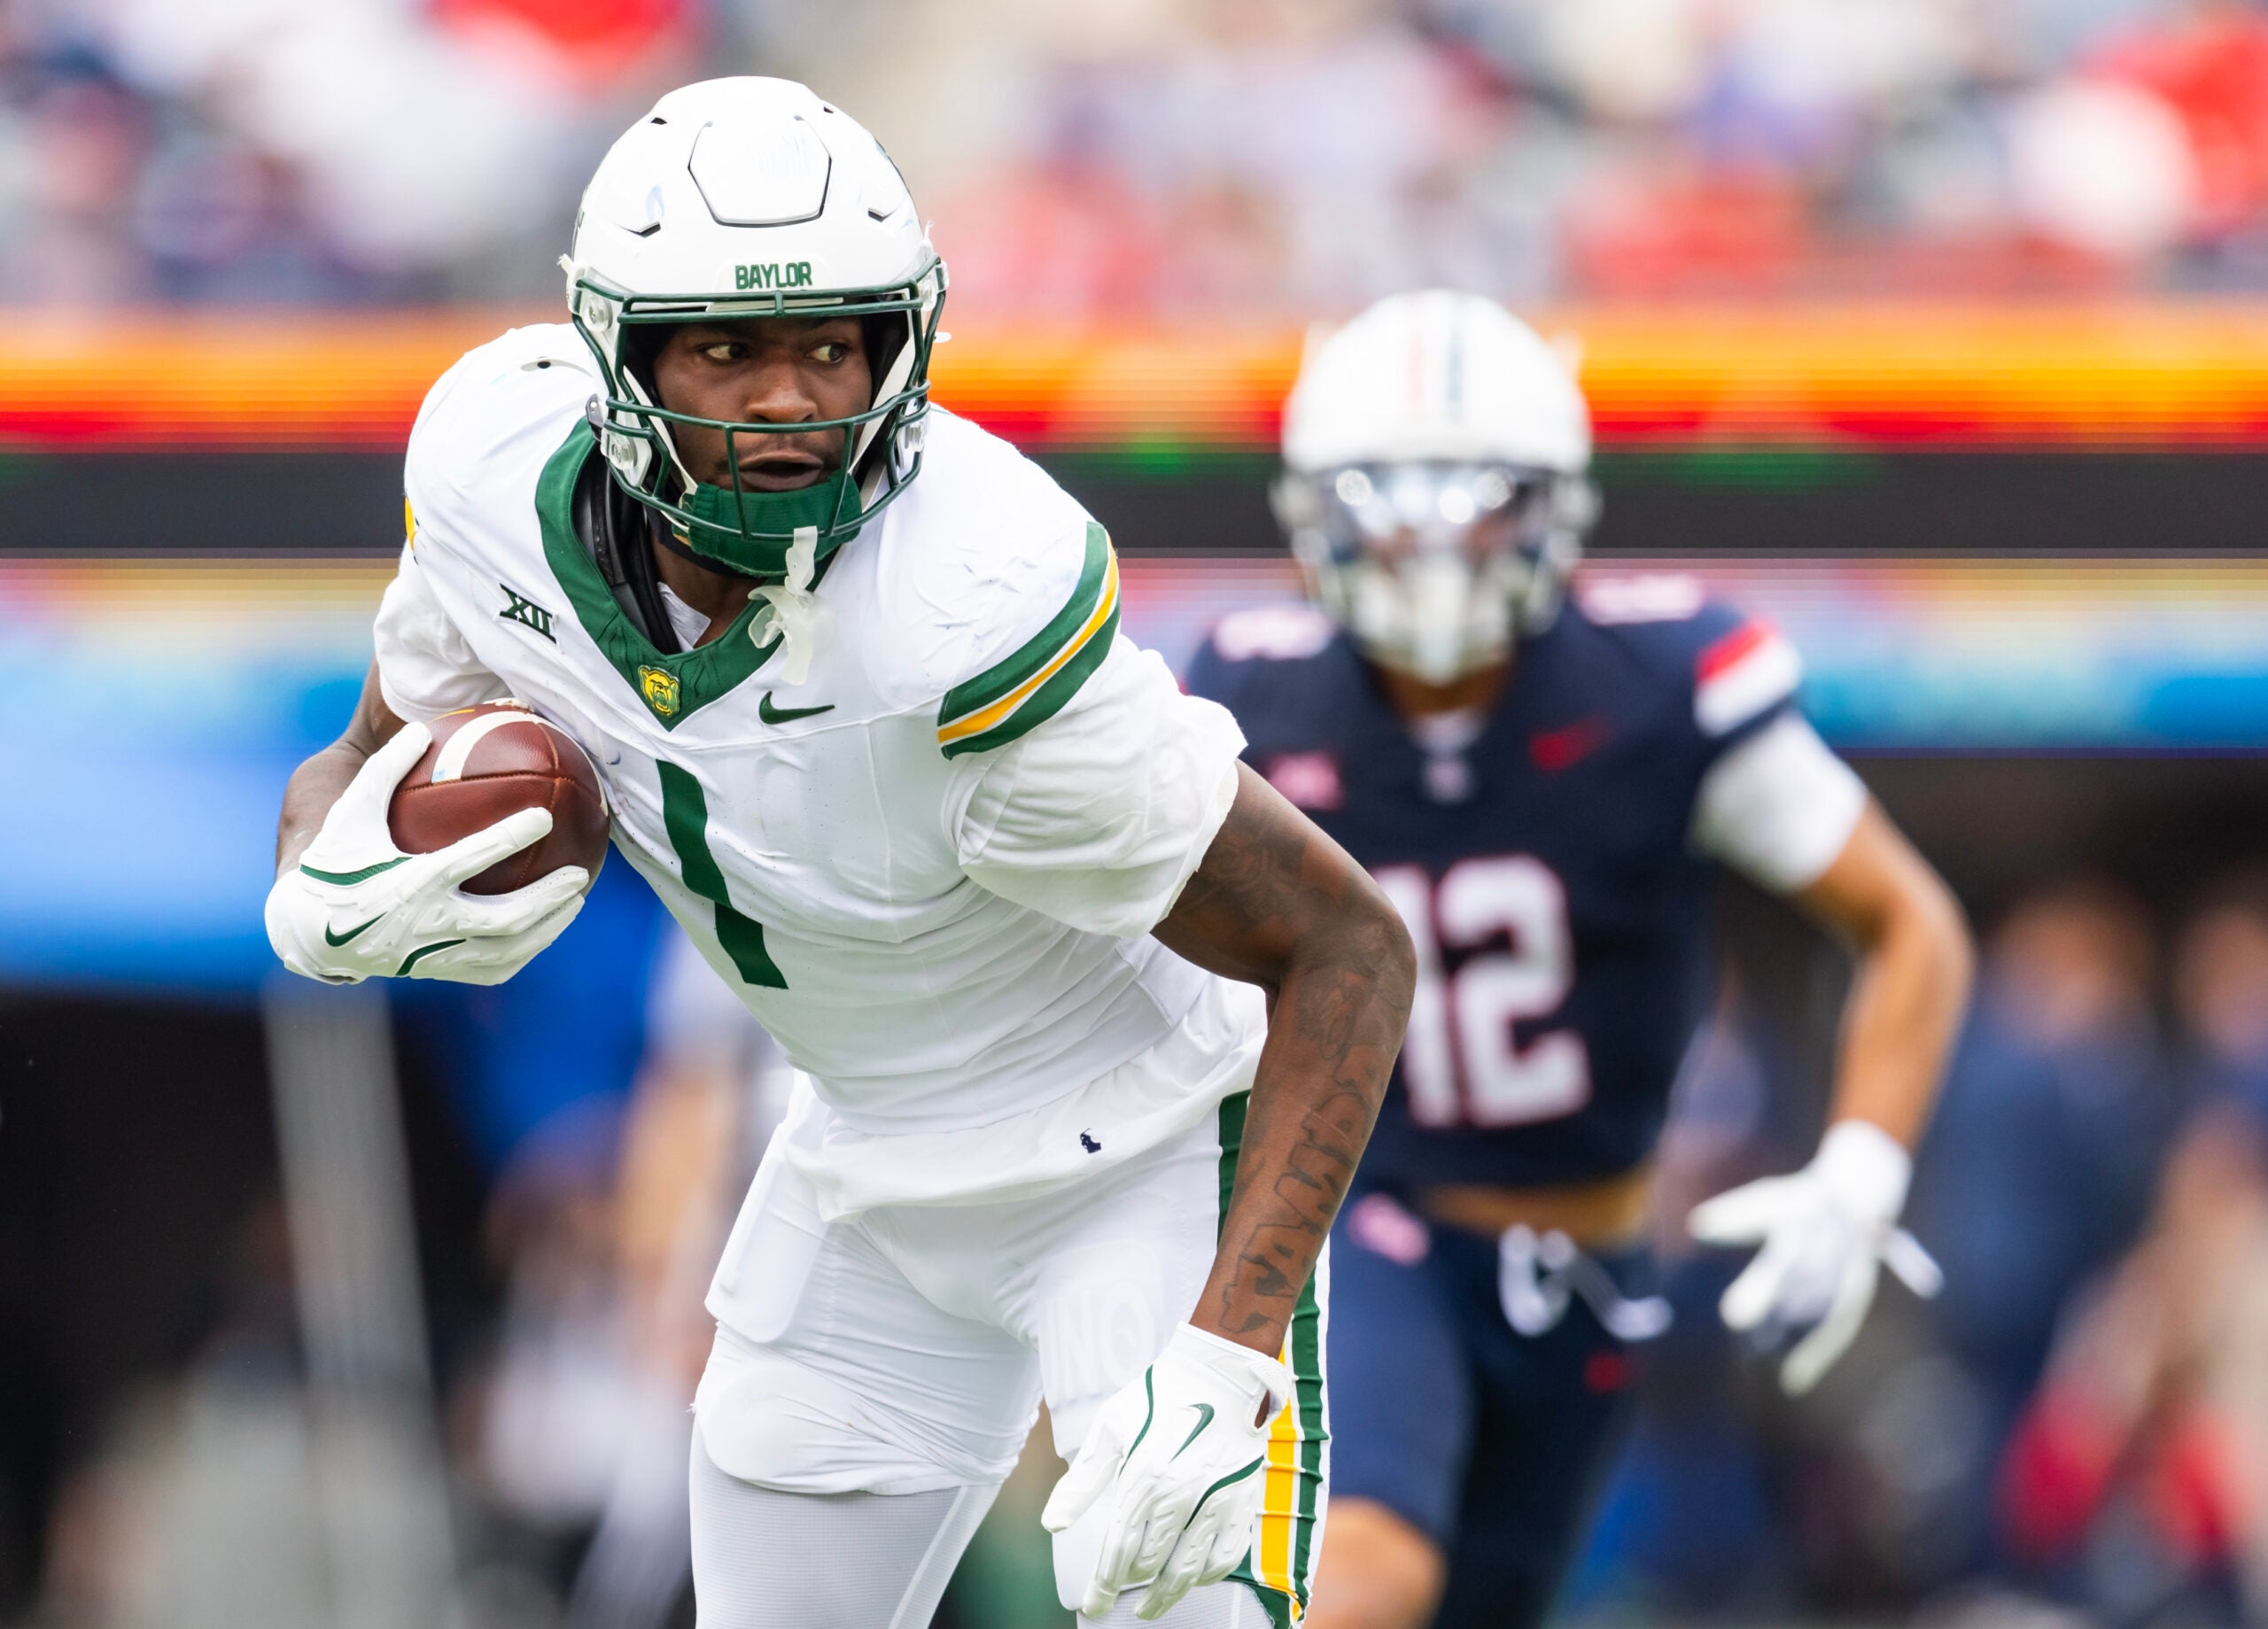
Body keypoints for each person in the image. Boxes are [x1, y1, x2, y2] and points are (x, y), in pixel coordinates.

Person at [262, 77, 1416, 1629]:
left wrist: (1225, 1360)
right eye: (727, 348)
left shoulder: (972, 593)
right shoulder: (491, 474)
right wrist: (316, 882)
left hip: (1143, 1165)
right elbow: (363, 757)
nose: (794, 396)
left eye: (832, 343)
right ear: (619, 354)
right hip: (864, 1158)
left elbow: (1349, 948)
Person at [1184, 290, 1974, 1629]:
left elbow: (1908, 921)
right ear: (1318, 508)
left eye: (1477, 501)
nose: (1433, 548)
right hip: (1361, 1220)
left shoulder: (1663, 684)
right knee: (1366, 1577)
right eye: (1389, 502)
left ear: (1555, 506)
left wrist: (1862, 1166)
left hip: (1595, 1259)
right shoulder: (1256, 688)